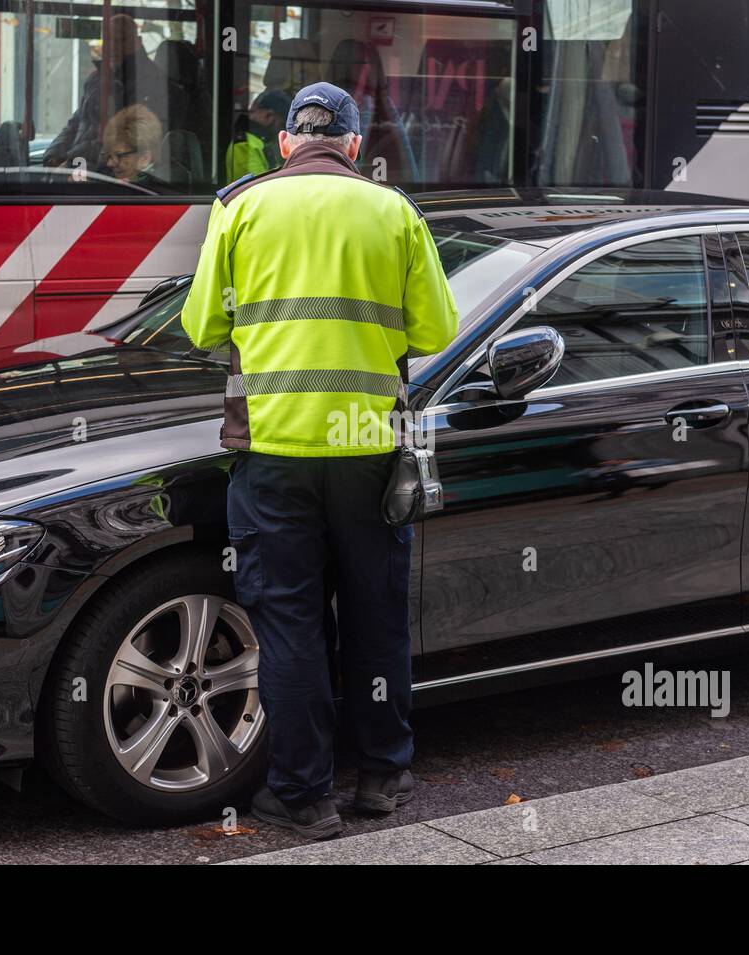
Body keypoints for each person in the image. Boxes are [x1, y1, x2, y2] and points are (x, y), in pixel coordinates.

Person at [180, 82, 458, 840]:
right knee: (376, 617)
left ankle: (303, 796)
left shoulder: (241, 208)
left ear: (285, 145)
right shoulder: (393, 211)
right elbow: (435, 326)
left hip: (273, 453)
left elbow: (201, 322)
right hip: (367, 451)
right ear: (356, 146)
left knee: (292, 624)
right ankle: (381, 775)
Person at [42, 14, 167, 171]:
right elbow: (76, 123)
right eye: (108, 40)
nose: (113, 46)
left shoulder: (148, 81)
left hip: (110, 173)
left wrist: (71, 159)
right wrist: (54, 154)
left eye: (121, 40)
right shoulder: (97, 78)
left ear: (138, 41)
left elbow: (120, 138)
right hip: (81, 164)